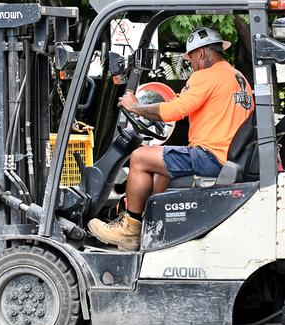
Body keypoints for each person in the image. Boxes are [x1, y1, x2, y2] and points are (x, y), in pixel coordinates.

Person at [88, 27, 254, 251]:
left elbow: (174, 110)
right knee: (158, 167)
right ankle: (153, 223)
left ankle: (129, 230)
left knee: (139, 157)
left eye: (192, 59)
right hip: (227, 155)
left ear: (202, 54)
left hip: (210, 156)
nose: (192, 64)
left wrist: (136, 107)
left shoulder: (206, 76)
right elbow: (182, 101)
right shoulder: (237, 77)